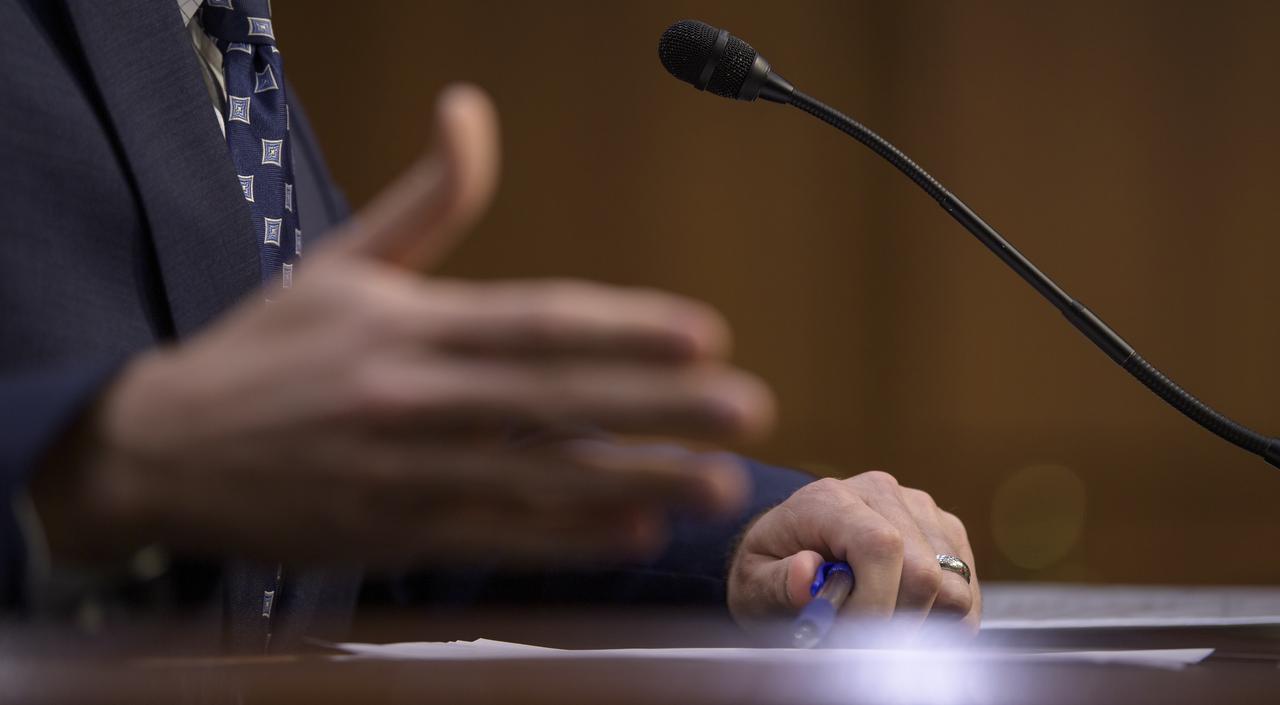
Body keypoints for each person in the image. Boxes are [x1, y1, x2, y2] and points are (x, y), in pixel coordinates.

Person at [0, 0, 979, 650]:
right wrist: (95, 470)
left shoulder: (218, 42)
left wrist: (754, 541)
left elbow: (368, 494)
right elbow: (182, 453)